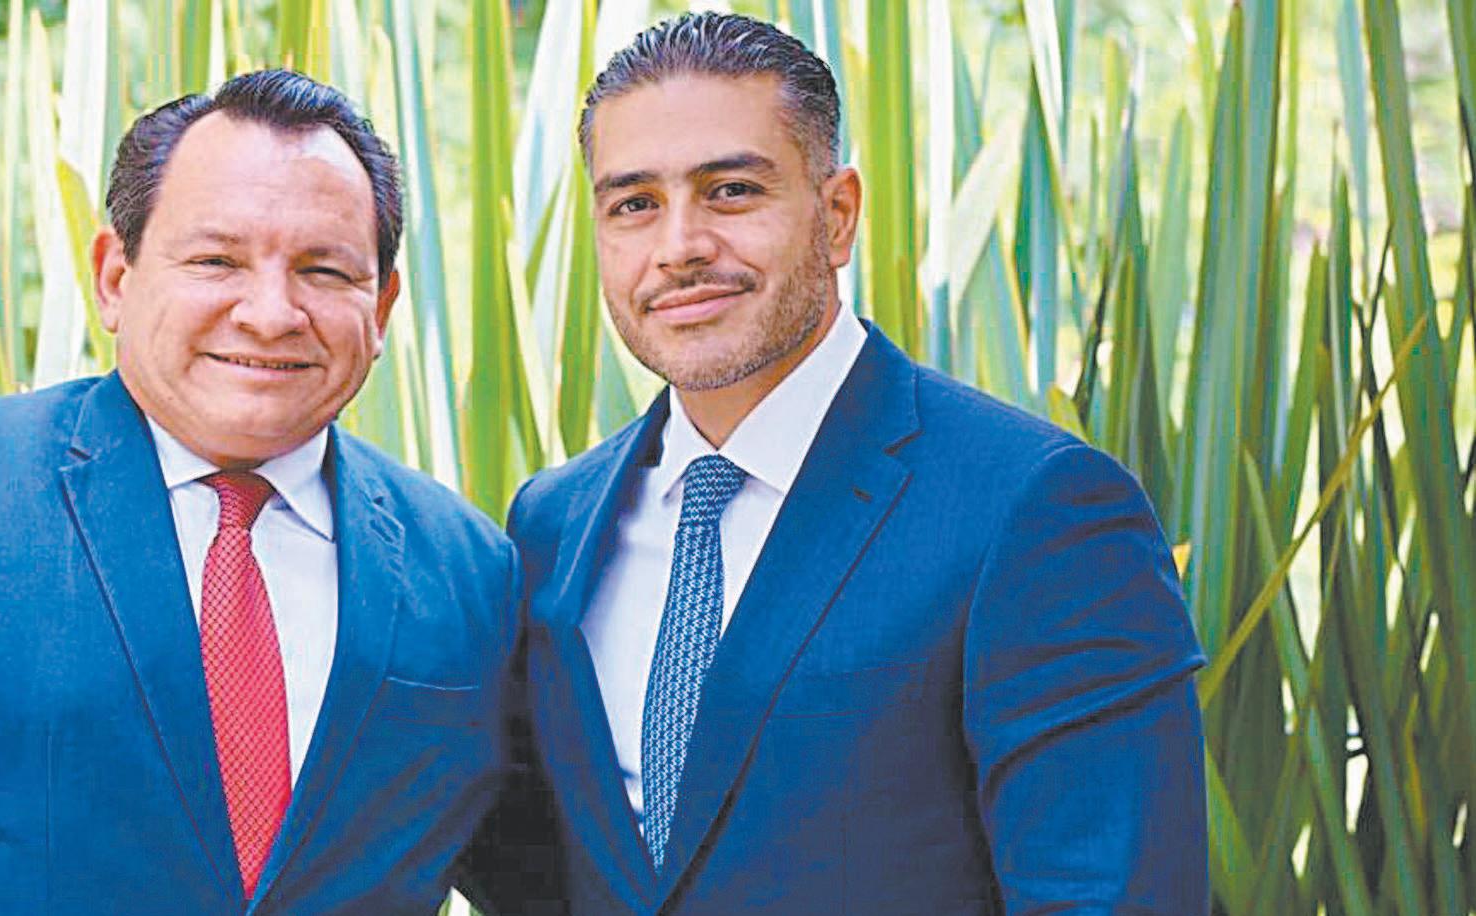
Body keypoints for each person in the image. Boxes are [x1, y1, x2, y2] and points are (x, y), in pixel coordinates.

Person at [0, 70, 529, 915]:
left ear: (380, 305)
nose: (271, 313)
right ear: (115, 277)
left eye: (323, 270)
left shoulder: (467, 571)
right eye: (217, 260)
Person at [504, 13, 1207, 913]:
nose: (679, 246)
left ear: (837, 216)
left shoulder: (1038, 510)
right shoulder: (552, 527)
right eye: (634, 204)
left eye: (730, 191)